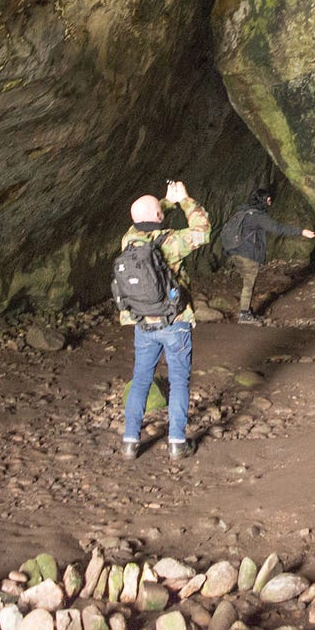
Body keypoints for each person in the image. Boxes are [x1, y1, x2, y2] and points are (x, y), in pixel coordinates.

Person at [118, 179, 209, 462]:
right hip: (174, 320)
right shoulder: (172, 241)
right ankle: (177, 443)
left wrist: (164, 202)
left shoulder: (128, 239)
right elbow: (202, 230)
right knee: (179, 381)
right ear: (160, 216)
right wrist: (184, 200)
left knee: (141, 379)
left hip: (142, 322)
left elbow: (147, 218)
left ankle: (130, 442)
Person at [221, 185, 315, 324]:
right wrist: (301, 231)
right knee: (249, 282)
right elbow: (277, 228)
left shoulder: (243, 212)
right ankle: (244, 315)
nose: (270, 202)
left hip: (234, 252)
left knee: (248, 282)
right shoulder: (258, 216)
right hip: (246, 253)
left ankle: (246, 311)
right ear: (265, 200)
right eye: (269, 200)